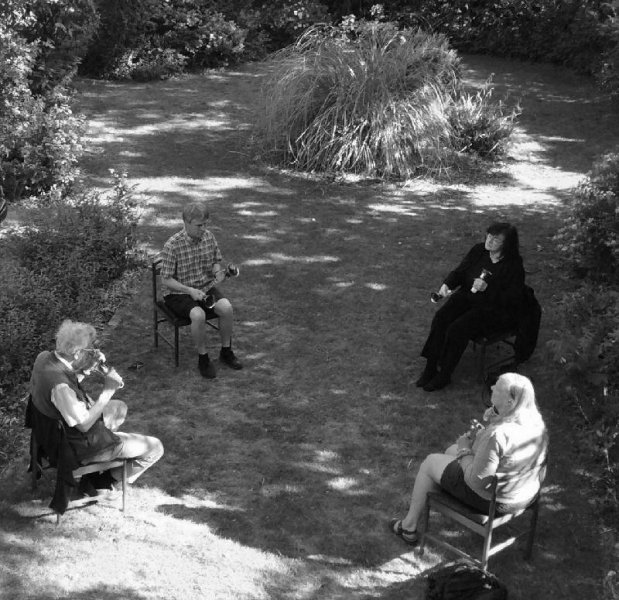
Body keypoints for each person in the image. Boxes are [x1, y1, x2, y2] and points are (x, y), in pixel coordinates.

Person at [389, 372, 548, 545]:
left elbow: (476, 481)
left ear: (510, 402)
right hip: (525, 493)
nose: (492, 387)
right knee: (451, 450)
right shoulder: (536, 423)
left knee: (430, 462)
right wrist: (495, 418)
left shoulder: (499, 434)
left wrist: (465, 448)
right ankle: (442, 486)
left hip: (496, 501)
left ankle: (408, 526)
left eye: (498, 388)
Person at [29, 319, 164, 504]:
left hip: (49, 431)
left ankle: (102, 458)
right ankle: (100, 481)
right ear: (76, 353)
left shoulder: (44, 358)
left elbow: (67, 383)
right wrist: (108, 391)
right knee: (155, 447)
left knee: (118, 408)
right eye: (91, 349)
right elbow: (83, 425)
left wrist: (85, 370)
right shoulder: (60, 387)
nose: (95, 351)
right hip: (73, 445)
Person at [417, 222, 526, 391]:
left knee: (457, 329)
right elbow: (460, 272)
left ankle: (445, 374)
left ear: (507, 244)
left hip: (492, 309)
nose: (489, 241)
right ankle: (430, 367)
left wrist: (488, 288)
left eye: (496, 239)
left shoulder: (513, 265)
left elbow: (513, 298)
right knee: (441, 318)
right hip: (468, 296)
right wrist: (447, 284)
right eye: (488, 235)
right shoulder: (479, 251)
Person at [160, 202, 242, 378]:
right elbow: (166, 279)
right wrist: (189, 290)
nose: (203, 228)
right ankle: (203, 358)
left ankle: (226, 351)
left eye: (205, 224)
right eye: (199, 225)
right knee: (198, 315)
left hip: (204, 287)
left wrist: (217, 272)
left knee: (226, 308)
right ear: (186, 222)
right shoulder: (172, 245)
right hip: (177, 293)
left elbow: (215, 260)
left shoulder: (208, 237)